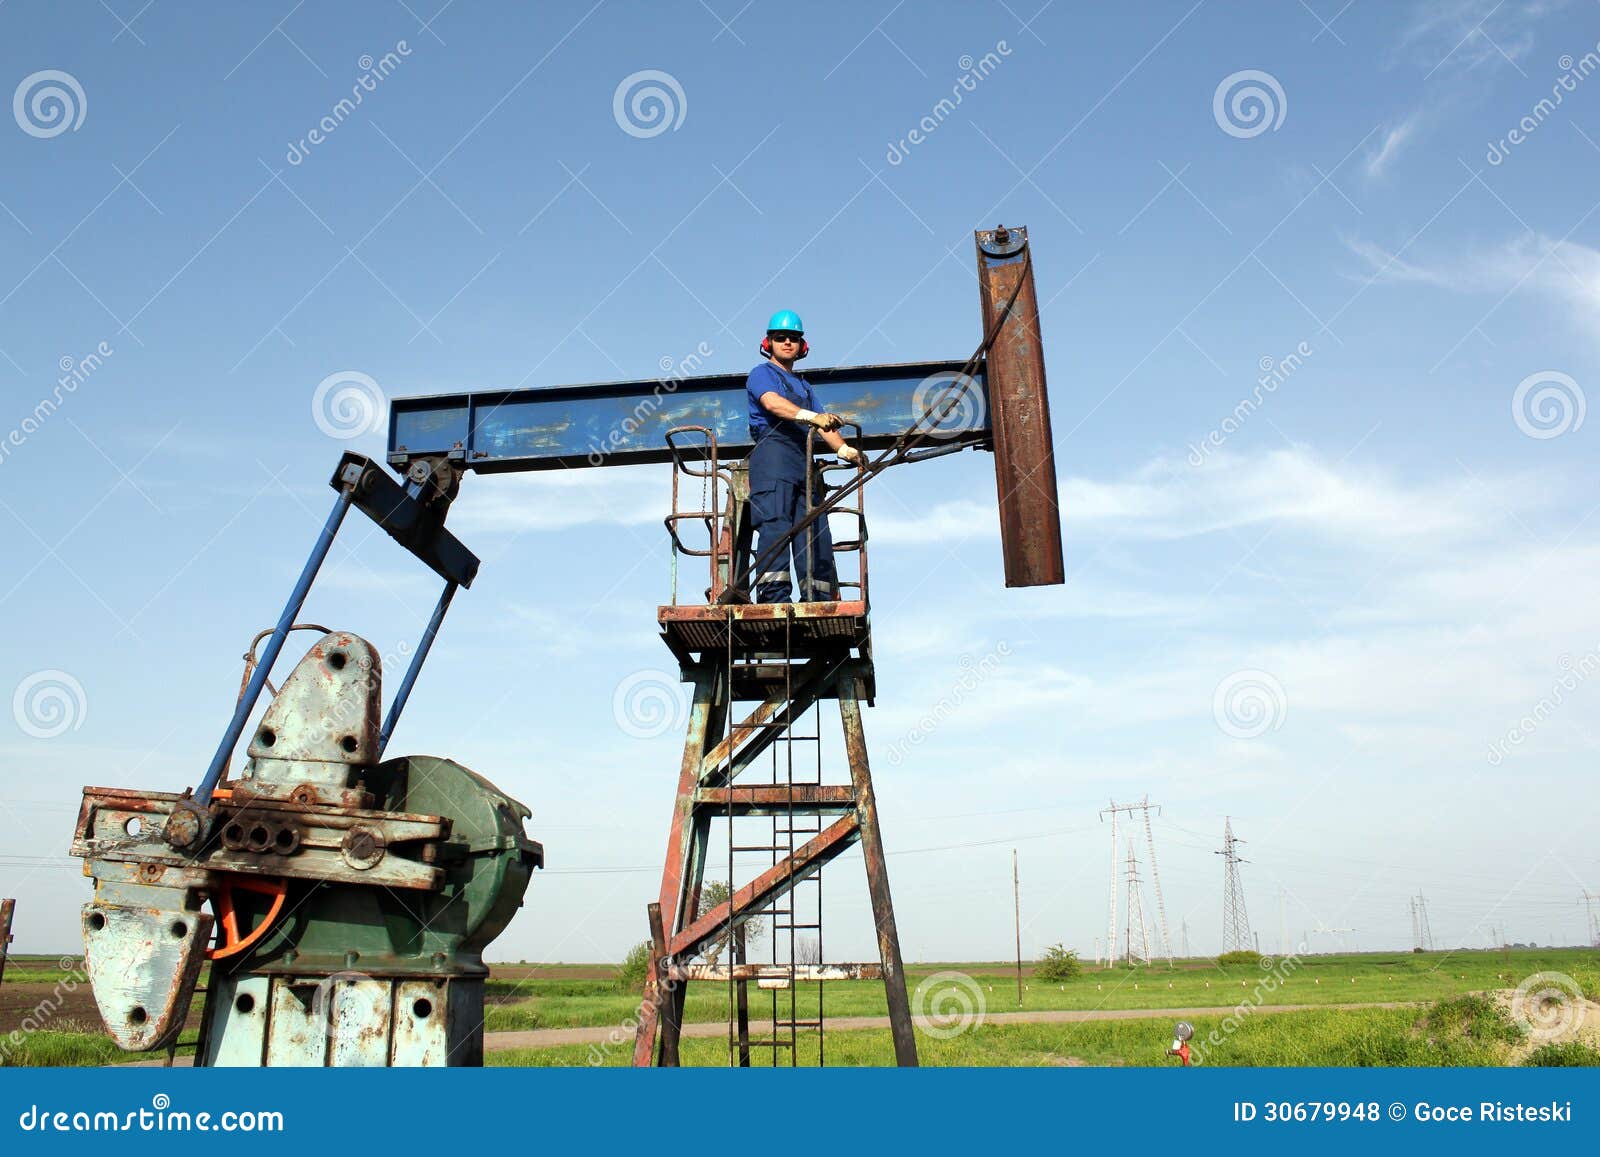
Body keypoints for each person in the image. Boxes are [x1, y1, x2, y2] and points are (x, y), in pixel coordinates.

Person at [744, 309, 863, 603]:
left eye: (793, 338)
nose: (787, 342)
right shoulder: (761, 374)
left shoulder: (805, 387)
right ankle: (774, 597)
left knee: (814, 530)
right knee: (776, 524)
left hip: (802, 462)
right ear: (768, 342)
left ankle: (817, 597)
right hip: (773, 459)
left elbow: (825, 424)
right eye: (780, 337)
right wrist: (813, 417)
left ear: (802, 346)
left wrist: (844, 449)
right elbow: (773, 404)